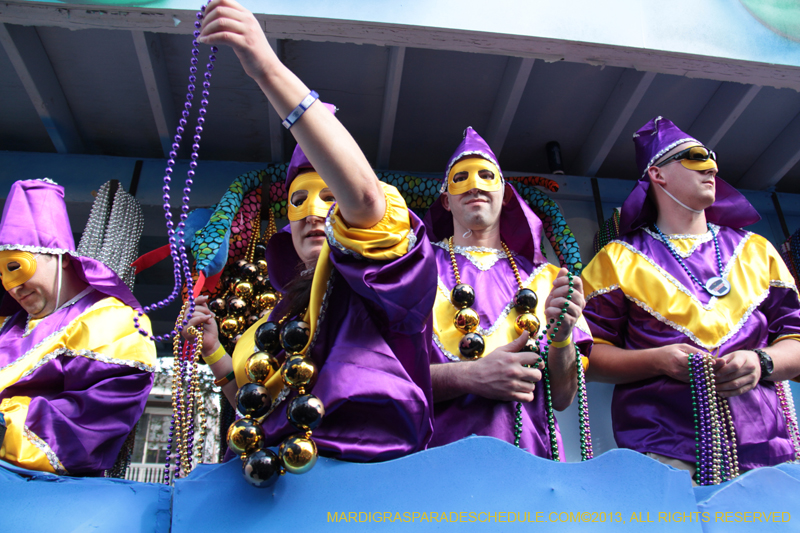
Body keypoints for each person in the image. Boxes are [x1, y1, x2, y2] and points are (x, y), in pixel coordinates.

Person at [187, 0, 436, 473]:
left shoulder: (380, 281)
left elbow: (364, 199)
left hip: (360, 494)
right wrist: (217, 352)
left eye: (328, 197)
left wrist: (267, 69)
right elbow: (263, 407)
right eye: (298, 203)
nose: (313, 215)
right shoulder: (279, 312)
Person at [581, 116, 800, 475]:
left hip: (770, 451)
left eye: (712, 157)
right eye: (696, 157)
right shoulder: (616, 260)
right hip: (662, 451)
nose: (712, 166)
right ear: (657, 174)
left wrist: (763, 362)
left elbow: (796, 336)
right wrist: (659, 360)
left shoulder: (757, 251)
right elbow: (588, 354)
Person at [423, 127, 592, 457]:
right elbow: (389, 380)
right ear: (446, 199)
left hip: (532, 467)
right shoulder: (416, 271)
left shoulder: (548, 278)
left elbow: (562, 397)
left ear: (505, 193)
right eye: (461, 178)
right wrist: (469, 376)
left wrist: (562, 338)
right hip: (436, 466)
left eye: (487, 176)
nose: (475, 185)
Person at [0, 179, 156, 476]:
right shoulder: (8, 323)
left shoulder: (113, 323)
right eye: (1, 273)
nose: (11, 287)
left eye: (16, 266)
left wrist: (3, 426)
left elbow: (93, 419)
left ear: (60, 258)